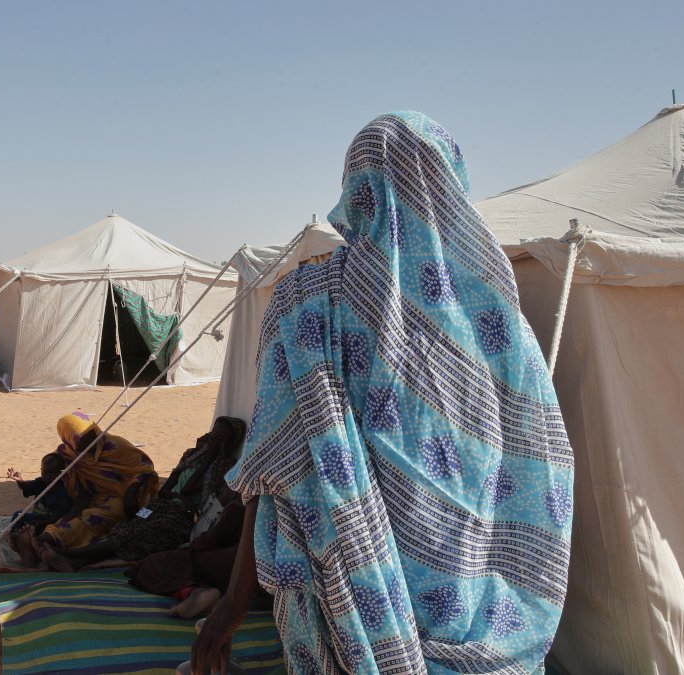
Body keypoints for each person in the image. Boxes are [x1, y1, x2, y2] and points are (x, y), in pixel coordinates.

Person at [191, 113, 575, 674]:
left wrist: (231, 606)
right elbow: (542, 473)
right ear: (452, 181)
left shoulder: (307, 302)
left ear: (355, 186)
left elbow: (273, 470)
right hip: (482, 622)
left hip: (351, 623)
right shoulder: (495, 313)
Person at [34, 416, 246, 572]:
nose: (214, 437)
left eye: (221, 436)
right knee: (129, 527)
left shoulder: (226, 468)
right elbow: (166, 489)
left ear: (231, 442)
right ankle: (72, 557)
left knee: (137, 535)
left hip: (186, 516)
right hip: (164, 506)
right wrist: (178, 493)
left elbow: (193, 492)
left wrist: (209, 459)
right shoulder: (191, 456)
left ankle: (68, 555)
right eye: (214, 432)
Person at [17, 412, 160, 568]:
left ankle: (51, 549)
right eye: (82, 440)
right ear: (70, 441)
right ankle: (41, 541)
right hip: (85, 499)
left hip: (119, 498)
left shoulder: (115, 446)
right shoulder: (65, 455)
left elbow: (144, 467)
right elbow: (49, 476)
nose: (91, 441)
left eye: (92, 435)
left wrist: (133, 488)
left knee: (91, 518)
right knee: (68, 519)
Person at [127, 485, 247, 619]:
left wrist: (190, 546)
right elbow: (164, 490)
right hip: (239, 564)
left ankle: (197, 593)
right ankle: (196, 594)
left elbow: (210, 541)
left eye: (224, 489)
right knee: (141, 534)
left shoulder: (237, 507)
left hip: (227, 559)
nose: (220, 491)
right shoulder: (248, 507)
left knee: (158, 562)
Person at [6, 452, 73, 545]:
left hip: (48, 523)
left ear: (61, 473)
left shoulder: (63, 493)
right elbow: (27, 487)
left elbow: (59, 517)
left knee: (49, 532)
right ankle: (17, 535)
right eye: (44, 472)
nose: (47, 476)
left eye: (52, 473)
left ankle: (31, 539)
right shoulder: (40, 482)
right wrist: (20, 481)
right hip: (36, 518)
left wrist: (41, 523)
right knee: (18, 515)